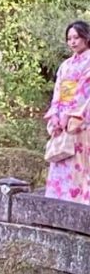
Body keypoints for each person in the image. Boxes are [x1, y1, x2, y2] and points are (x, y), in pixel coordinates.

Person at [45, 20, 90, 204]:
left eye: (76, 37)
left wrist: (70, 114)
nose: (72, 42)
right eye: (69, 38)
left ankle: (80, 202)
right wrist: (55, 114)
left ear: (86, 38)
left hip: (78, 120)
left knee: (78, 163)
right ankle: (57, 202)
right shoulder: (66, 65)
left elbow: (84, 92)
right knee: (60, 159)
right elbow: (58, 91)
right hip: (62, 118)